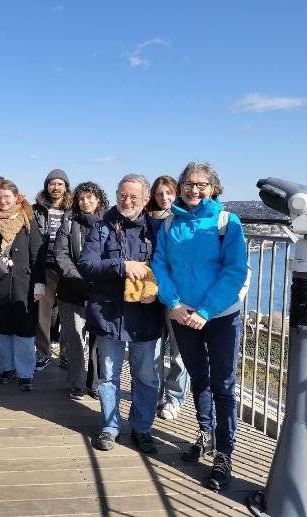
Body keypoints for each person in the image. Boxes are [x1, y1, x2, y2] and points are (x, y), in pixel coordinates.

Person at [151, 162, 248, 490]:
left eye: (201, 185)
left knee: (223, 385)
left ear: (213, 188)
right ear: (180, 187)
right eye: (189, 184)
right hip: (182, 315)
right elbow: (160, 266)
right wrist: (174, 303)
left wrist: (205, 311)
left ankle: (225, 453)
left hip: (219, 317)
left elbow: (234, 272)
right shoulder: (169, 223)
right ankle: (206, 434)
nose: (194, 190)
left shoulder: (227, 222)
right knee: (199, 379)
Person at [77, 174, 164, 454]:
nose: (127, 201)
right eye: (122, 195)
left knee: (146, 377)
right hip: (109, 314)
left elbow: (170, 268)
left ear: (146, 199)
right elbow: (86, 265)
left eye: (133, 197)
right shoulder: (101, 227)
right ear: (116, 195)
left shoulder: (159, 229)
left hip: (146, 314)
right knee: (108, 377)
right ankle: (109, 427)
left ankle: (142, 428)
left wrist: (158, 290)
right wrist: (121, 265)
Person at [0, 179, 46, 392]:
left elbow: (37, 253)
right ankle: (8, 368)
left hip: (24, 284)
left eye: (7, 197)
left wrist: (39, 283)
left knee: (24, 332)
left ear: (16, 198)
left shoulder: (27, 220)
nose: (3, 201)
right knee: (0, 332)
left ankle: (25, 373)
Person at [53, 181, 108, 400]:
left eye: (90, 198)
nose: (85, 202)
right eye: (81, 198)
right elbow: (61, 255)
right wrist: (81, 282)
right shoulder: (69, 222)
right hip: (72, 290)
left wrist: (98, 283)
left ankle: (94, 383)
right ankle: (77, 383)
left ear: (98, 199)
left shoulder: (109, 223)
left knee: (98, 340)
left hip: (101, 292)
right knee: (75, 338)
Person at [146, 175, 189, 421]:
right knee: (153, 350)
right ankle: (154, 395)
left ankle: (175, 398)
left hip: (178, 295)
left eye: (169, 193)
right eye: (159, 194)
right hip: (153, 292)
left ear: (178, 193)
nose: (165, 198)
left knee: (178, 351)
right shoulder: (147, 220)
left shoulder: (183, 220)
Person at [32, 169, 72, 371]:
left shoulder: (73, 210)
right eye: (52, 183)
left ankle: (66, 354)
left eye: (60, 184)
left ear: (66, 187)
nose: (56, 187)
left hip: (66, 268)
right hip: (44, 267)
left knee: (68, 314)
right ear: (47, 186)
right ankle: (43, 353)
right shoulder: (36, 210)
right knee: (42, 313)